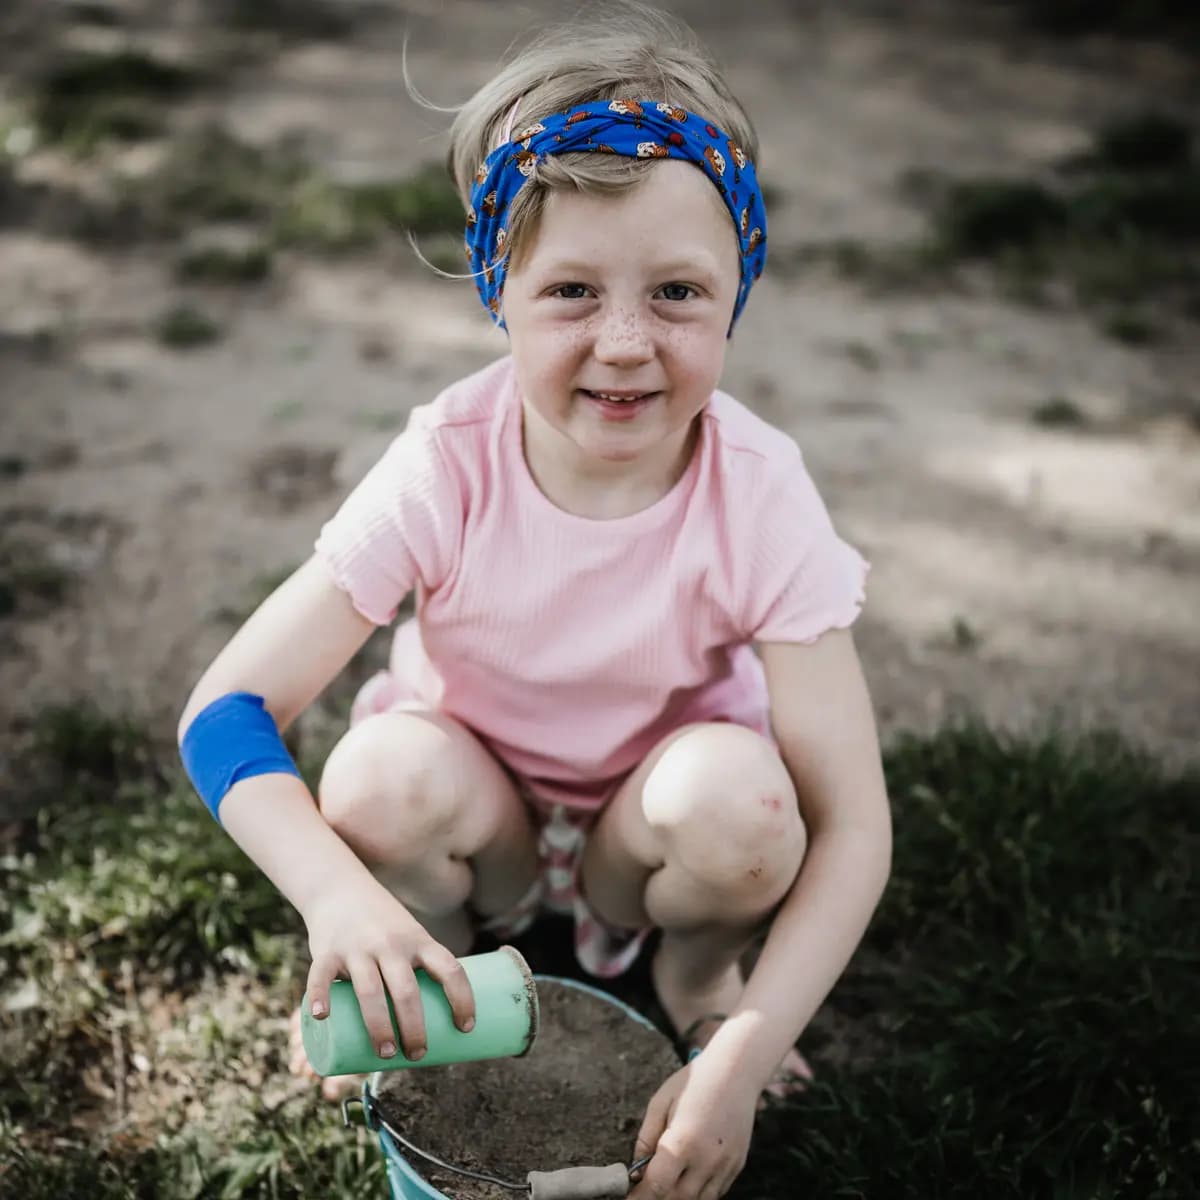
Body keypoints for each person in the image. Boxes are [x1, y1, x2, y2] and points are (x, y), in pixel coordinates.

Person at [178, 5, 892, 1197]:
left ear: (738, 294)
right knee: (375, 779)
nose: (624, 344)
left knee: (749, 803)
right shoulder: (445, 462)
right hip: (476, 816)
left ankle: (696, 987)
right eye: (570, 291)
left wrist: (755, 1037)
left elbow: (853, 824)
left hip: (653, 836)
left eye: (676, 292)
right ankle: (430, 970)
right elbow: (226, 709)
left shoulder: (759, 492)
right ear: (496, 289)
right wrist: (336, 898)